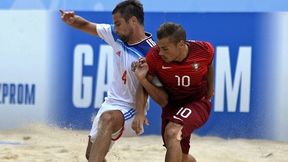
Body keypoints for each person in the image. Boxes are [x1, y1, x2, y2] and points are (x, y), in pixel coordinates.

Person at [60, 1, 155, 162]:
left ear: (133, 21)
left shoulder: (151, 53)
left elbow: (145, 87)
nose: (115, 28)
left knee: (107, 119)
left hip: (132, 109)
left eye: (118, 24)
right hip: (110, 103)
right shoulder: (116, 35)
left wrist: (139, 112)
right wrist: (72, 19)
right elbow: (87, 25)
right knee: (91, 155)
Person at [132, 22, 214, 162]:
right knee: (181, 157)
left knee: (172, 133)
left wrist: (211, 89)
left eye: (165, 49)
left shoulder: (204, 49)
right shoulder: (155, 56)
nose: (161, 52)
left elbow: (209, 64)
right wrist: (139, 112)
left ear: (181, 44)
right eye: (159, 48)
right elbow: (147, 85)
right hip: (171, 105)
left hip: (197, 102)